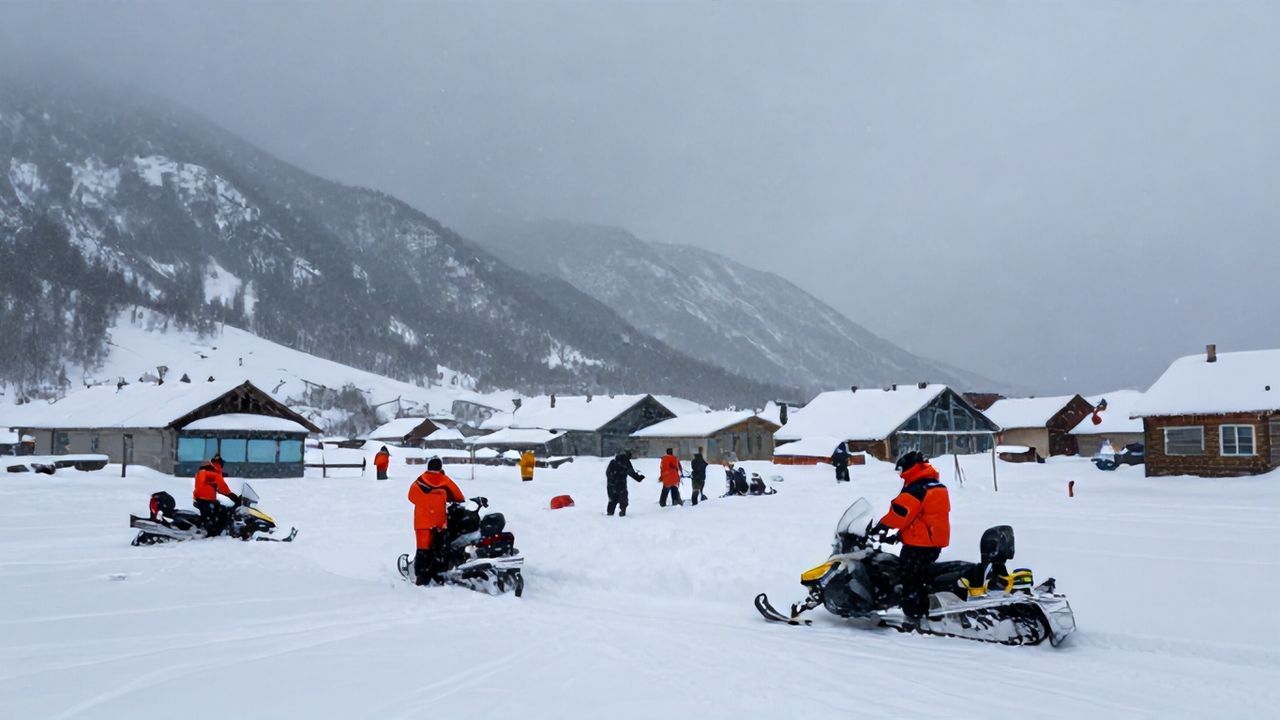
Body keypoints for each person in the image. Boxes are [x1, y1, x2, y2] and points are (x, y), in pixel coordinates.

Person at [872, 451, 950, 629]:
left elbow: (900, 514)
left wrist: (880, 528)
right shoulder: (935, 485)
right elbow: (923, 518)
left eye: (902, 470)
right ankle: (924, 609)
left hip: (918, 545)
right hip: (932, 542)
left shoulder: (916, 488)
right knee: (920, 576)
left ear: (910, 468)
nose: (900, 474)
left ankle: (913, 618)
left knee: (910, 579)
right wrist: (899, 536)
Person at [406, 457, 465, 585]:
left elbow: (411, 496)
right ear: (440, 468)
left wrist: (425, 503)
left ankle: (421, 576)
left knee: (423, 549)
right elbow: (459, 497)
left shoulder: (419, 481)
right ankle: (437, 574)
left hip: (422, 522)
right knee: (438, 548)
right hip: (439, 522)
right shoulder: (445, 481)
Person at [193, 454, 239, 536]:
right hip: (206, 499)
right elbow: (222, 486)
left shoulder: (202, 472)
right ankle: (214, 531)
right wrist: (231, 495)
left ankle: (209, 528)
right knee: (224, 512)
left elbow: (213, 486)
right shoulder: (213, 474)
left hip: (200, 498)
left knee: (213, 512)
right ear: (220, 464)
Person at [605, 450, 645, 516]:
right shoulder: (625, 462)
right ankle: (622, 512)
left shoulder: (614, 462)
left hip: (613, 484)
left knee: (613, 499)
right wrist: (639, 478)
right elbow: (631, 472)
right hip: (620, 483)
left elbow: (608, 473)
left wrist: (611, 480)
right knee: (623, 499)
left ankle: (610, 513)